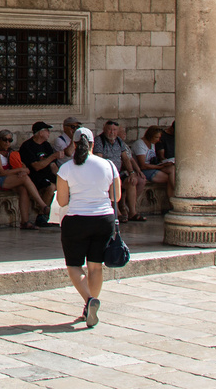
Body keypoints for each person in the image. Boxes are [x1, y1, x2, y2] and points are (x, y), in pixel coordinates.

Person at [56, 126, 119, 329]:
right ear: (93, 144)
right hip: (104, 218)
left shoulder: (66, 168)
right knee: (95, 265)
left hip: (77, 219)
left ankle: (89, 300)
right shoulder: (108, 165)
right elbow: (115, 197)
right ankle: (90, 305)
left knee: (74, 265)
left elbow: (63, 200)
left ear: (74, 144)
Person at [0, 130, 47, 227]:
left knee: (23, 189)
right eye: (5, 140)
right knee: (24, 179)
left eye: (10, 140)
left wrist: (22, 170)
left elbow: (23, 166)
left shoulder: (10, 151)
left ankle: (25, 221)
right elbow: (0, 172)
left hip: (9, 177)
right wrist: (19, 171)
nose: (7, 143)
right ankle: (42, 205)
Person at [95, 120, 145, 222]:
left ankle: (132, 212)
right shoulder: (99, 140)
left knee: (131, 182)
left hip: (118, 173)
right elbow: (98, 160)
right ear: (104, 129)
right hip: (105, 174)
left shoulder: (119, 141)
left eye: (114, 130)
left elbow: (125, 158)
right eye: (109, 130)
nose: (112, 132)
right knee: (113, 182)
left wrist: (131, 173)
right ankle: (117, 212)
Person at [19, 122, 59, 226]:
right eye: (47, 130)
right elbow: (36, 166)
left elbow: (53, 166)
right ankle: (42, 216)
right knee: (50, 187)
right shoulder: (28, 146)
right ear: (40, 133)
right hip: (35, 176)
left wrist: (61, 177)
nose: (49, 133)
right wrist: (53, 156)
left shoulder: (46, 145)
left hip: (47, 175)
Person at [131, 125, 175, 205]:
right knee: (170, 178)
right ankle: (174, 198)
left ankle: (173, 201)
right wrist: (160, 167)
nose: (158, 140)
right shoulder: (140, 144)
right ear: (150, 136)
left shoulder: (152, 144)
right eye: (156, 137)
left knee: (172, 168)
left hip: (153, 167)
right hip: (143, 170)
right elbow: (143, 165)